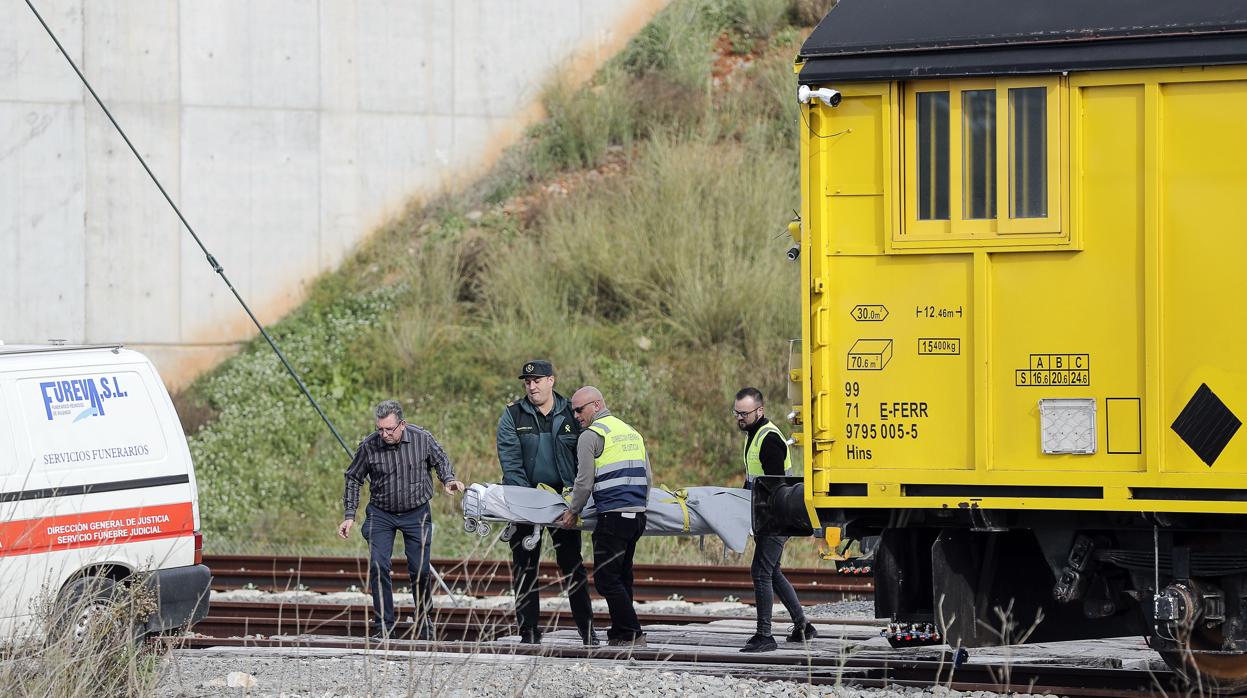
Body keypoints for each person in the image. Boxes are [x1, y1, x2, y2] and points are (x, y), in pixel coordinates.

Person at [338, 399, 464, 641]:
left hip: (416, 511)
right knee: (378, 566)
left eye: (389, 429)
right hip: (381, 513)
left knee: (420, 570)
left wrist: (448, 479)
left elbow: (440, 460)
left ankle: (425, 623)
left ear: (402, 424)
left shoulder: (422, 438)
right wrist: (350, 515)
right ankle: (384, 627)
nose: (384, 434)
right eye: (380, 429)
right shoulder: (369, 446)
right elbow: (353, 477)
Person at [496, 359, 597, 646]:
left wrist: (576, 500)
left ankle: (587, 632)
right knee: (525, 566)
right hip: (525, 501)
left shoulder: (571, 412)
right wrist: (528, 501)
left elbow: (584, 458)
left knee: (572, 564)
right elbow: (510, 461)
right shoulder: (513, 415)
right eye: (527, 381)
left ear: (551, 380)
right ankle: (528, 633)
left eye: (538, 380)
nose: (532, 385)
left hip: (563, 501)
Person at [556, 386, 652, 648]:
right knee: (622, 576)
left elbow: (584, 481)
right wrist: (639, 507)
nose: (575, 415)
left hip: (613, 516)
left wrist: (572, 511)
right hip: (637, 516)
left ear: (596, 406)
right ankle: (620, 633)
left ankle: (633, 632)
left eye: (579, 409)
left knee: (606, 579)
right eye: (573, 410)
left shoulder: (590, 436)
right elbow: (648, 477)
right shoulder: (631, 432)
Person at [733, 386, 818, 652]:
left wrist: (759, 515)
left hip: (775, 516)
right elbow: (755, 481)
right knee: (773, 571)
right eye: (736, 413)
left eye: (744, 413)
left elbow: (774, 486)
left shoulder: (769, 438)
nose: (739, 418)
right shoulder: (753, 434)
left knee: (760, 571)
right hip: (766, 515)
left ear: (760, 410)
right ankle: (803, 626)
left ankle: (764, 636)